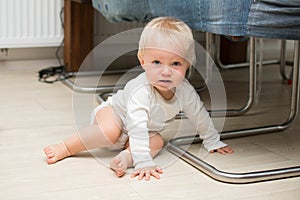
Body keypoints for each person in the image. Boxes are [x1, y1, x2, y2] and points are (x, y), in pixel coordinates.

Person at [43, 17, 234, 181]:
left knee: (157, 142)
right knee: (110, 131)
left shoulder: (185, 91)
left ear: (187, 64)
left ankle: (125, 159)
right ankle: (66, 147)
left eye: (176, 63)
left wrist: (212, 140)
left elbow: (199, 114)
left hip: (142, 132)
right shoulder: (140, 90)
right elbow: (136, 122)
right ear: (142, 61)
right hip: (115, 115)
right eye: (156, 62)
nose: (166, 71)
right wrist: (144, 161)